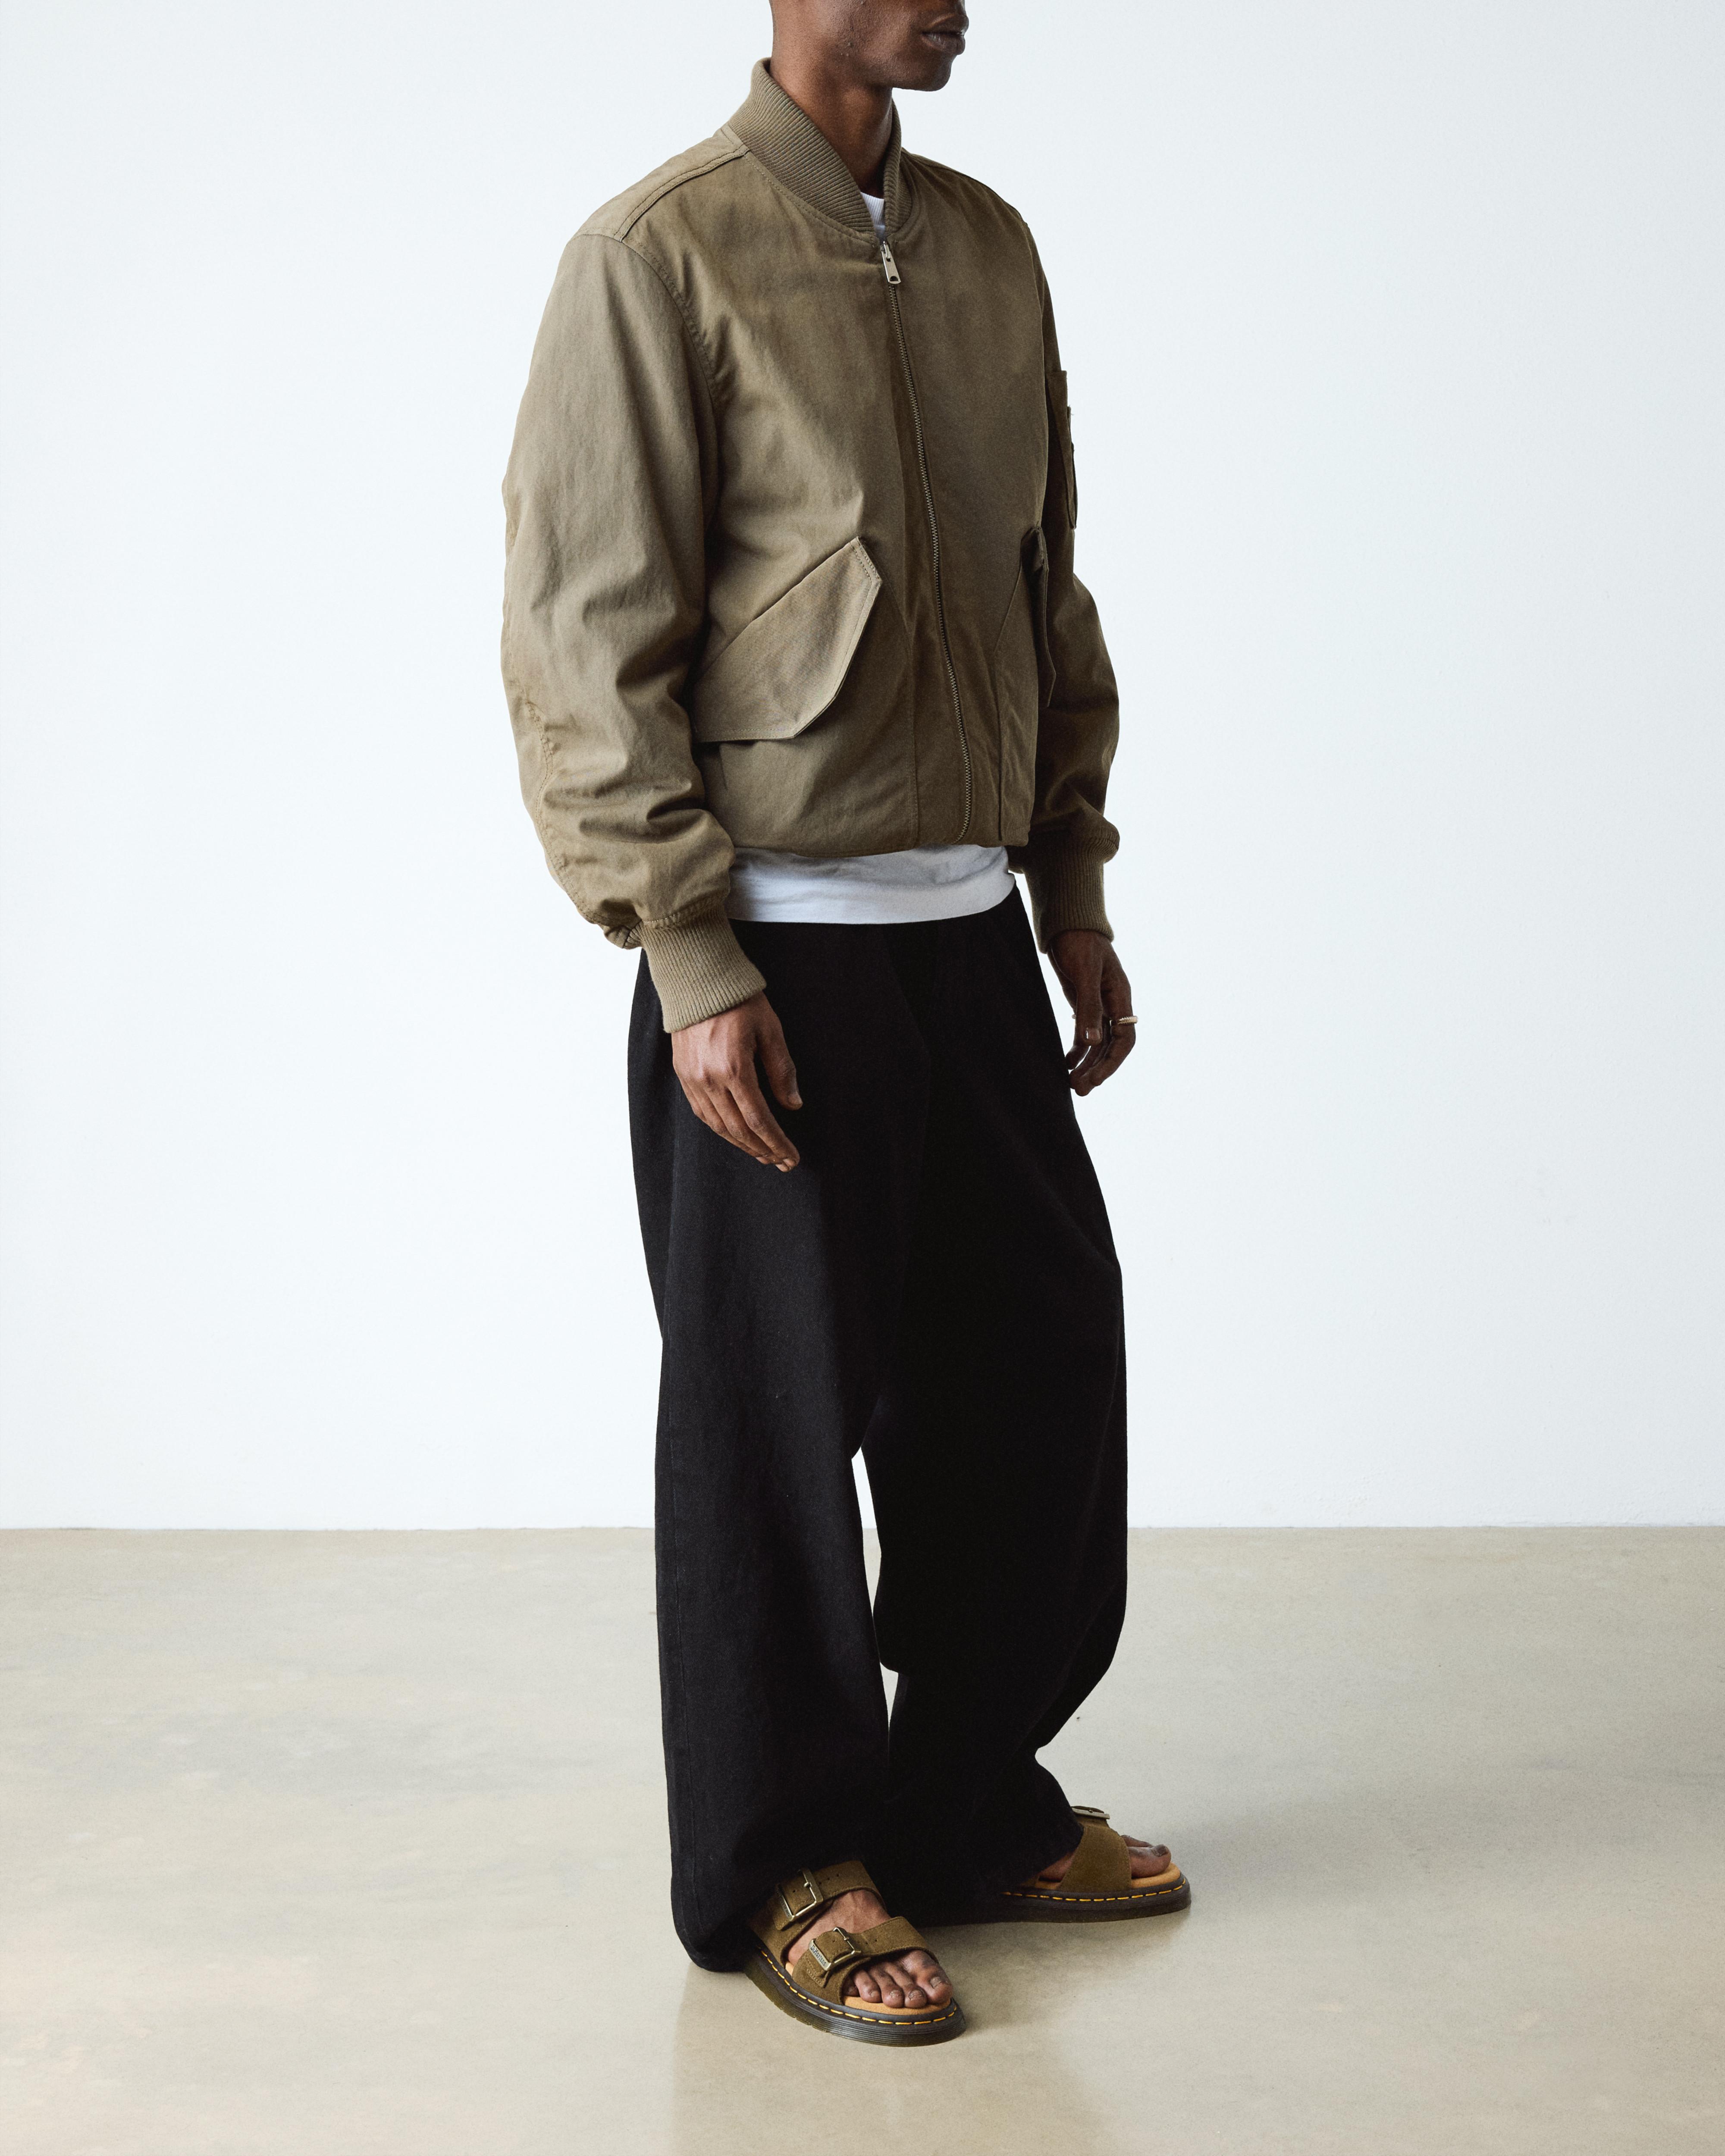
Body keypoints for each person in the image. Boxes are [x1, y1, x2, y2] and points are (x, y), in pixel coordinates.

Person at [501, 0, 1188, 2047]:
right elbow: (583, 636)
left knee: (1036, 1376)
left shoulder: (982, 245)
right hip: (777, 949)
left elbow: (1044, 587)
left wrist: (1070, 879)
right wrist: (688, 954)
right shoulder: (658, 254)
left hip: (967, 926)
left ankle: (961, 1800)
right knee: (775, 1432)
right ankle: (789, 1861)